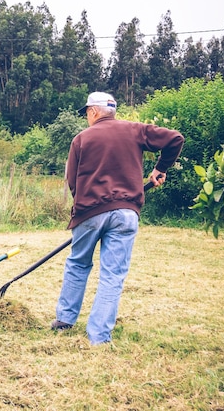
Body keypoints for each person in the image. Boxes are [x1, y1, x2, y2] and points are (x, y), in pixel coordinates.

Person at [51, 91, 184, 345]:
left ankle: (65, 321)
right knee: (113, 274)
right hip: (126, 212)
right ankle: (99, 336)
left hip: (89, 211)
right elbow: (175, 139)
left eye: (87, 113)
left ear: (93, 112)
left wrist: (84, 204)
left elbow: (72, 180)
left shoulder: (81, 139)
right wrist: (160, 169)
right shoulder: (135, 130)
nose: (87, 117)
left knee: (78, 264)